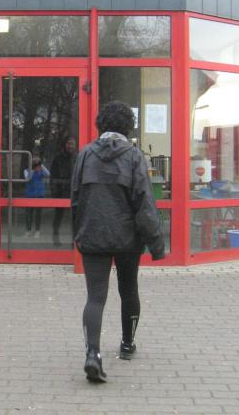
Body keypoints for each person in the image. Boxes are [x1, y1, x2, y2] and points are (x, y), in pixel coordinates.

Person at [70, 101, 164, 383]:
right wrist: (156, 243)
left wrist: (79, 232)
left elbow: (75, 198)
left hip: (93, 235)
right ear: (128, 127)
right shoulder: (134, 157)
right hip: (127, 238)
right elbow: (144, 204)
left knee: (95, 296)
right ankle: (127, 344)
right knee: (129, 289)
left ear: (101, 125)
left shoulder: (85, 154)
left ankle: (93, 353)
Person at [50, 135, 78, 246]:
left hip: (74, 191)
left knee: (75, 217)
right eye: (68, 143)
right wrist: (54, 192)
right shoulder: (58, 158)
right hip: (60, 191)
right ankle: (55, 238)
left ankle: (74, 241)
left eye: (72, 144)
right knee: (58, 216)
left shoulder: (78, 157)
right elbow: (53, 176)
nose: (70, 146)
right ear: (65, 144)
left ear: (76, 145)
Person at [23, 157, 50, 237]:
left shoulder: (41, 171)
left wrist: (42, 165)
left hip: (39, 195)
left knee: (38, 214)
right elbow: (28, 178)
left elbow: (48, 174)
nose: (37, 166)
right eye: (35, 164)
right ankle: (28, 230)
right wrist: (32, 169)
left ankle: (37, 231)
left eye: (37, 164)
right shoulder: (26, 170)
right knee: (29, 213)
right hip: (29, 195)